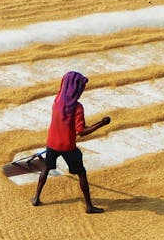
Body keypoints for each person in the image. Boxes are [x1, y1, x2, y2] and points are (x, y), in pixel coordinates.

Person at [31, 71, 111, 213]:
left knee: (46, 168)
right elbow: (81, 132)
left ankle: (36, 198)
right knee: (81, 173)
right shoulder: (77, 107)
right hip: (67, 146)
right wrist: (101, 123)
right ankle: (89, 206)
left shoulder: (56, 101)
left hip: (52, 143)